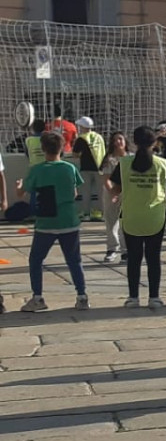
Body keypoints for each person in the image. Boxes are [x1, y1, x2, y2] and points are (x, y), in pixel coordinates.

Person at [20, 131, 88, 312]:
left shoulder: (37, 170)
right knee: (74, 260)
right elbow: (75, 193)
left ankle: (38, 297)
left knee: (36, 260)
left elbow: (24, 192)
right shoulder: (69, 168)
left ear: (43, 149)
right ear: (62, 148)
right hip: (68, 220)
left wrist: (19, 187)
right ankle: (82, 297)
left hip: (46, 222)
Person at [111, 126, 166, 308]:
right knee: (154, 259)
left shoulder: (124, 163)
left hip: (131, 217)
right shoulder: (162, 164)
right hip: (154, 217)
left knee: (134, 259)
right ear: (155, 143)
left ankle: (133, 297)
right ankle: (154, 297)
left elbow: (115, 188)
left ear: (134, 142)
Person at [100, 131, 128, 265]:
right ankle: (112, 249)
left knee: (126, 223)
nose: (118, 142)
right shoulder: (109, 159)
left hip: (127, 193)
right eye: (115, 139)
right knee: (111, 221)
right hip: (111, 192)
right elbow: (106, 179)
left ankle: (126, 251)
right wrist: (113, 194)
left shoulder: (131, 158)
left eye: (120, 139)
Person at [72, 116, 105, 220]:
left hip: (86, 168)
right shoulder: (99, 137)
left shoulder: (81, 138)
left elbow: (75, 154)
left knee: (86, 192)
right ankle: (103, 214)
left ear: (83, 126)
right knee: (101, 193)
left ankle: (86, 214)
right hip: (100, 167)